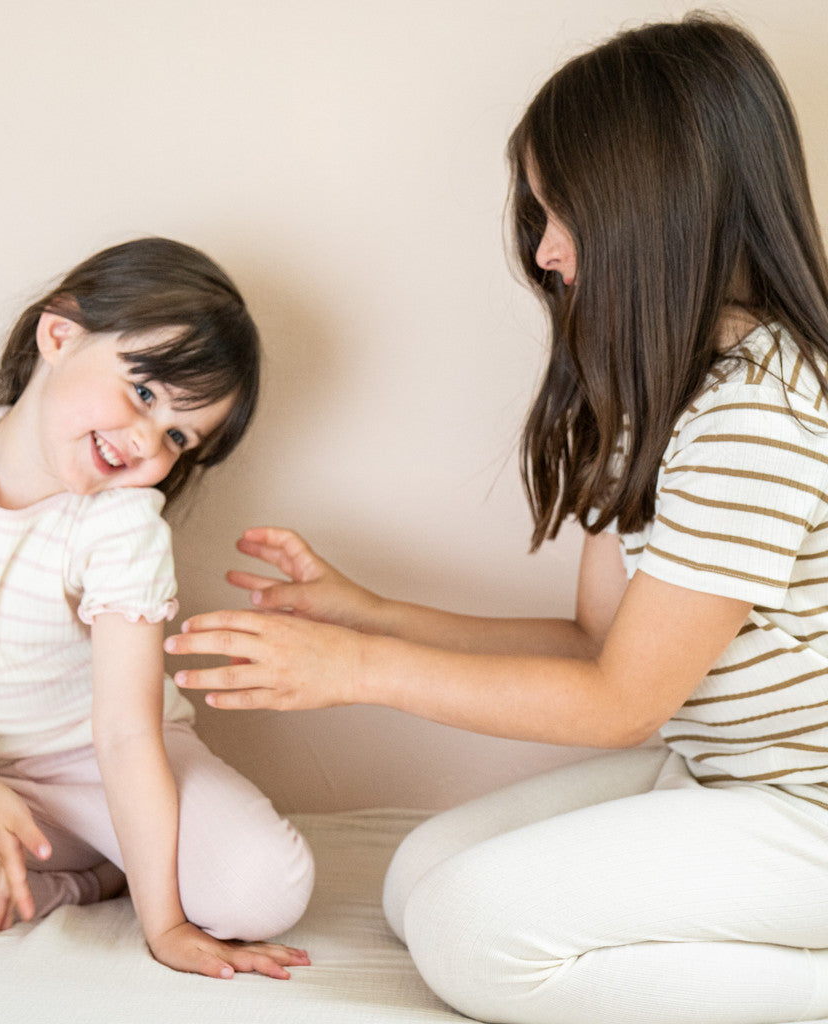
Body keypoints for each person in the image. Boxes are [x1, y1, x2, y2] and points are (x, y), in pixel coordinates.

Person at [163, 15, 828, 1022]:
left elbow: (619, 703)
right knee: (415, 879)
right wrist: (365, 614)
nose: (548, 253)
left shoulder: (759, 412)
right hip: (722, 777)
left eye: (565, 216)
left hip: (805, 811)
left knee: (470, 934)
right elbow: (595, 643)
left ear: (660, 208)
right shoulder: (663, 396)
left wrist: (357, 675)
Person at [0, 237, 314, 981]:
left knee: (265, 888)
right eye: (145, 395)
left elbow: (124, 733)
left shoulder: (121, 523)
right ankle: (85, 879)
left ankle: (122, 867)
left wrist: (166, 927)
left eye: (178, 437)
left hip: (112, 764)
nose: (146, 442)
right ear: (60, 336)